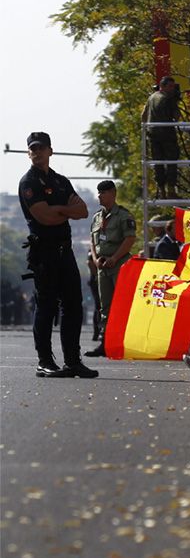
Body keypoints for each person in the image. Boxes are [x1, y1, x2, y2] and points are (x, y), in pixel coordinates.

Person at [18, 132, 98, 378]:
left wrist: (59, 209)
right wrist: (66, 209)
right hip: (44, 252)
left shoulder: (61, 181)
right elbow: (45, 216)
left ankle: (72, 360)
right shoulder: (29, 182)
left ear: (50, 151)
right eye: (33, 149)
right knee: (46, 306)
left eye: (41, 148)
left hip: (65, 250)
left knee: (73, 306)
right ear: (29, 152)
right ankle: (45, 361)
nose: (37, 152)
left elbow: (83, 210)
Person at [85, 180, 137, 357]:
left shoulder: (124, 215)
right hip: (102, 266)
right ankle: (105, 342)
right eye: (99, 192)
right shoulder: (97, 217)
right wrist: (95, 259)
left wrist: (114, 258)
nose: (100, 195)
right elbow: (93, 242)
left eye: (104, 192)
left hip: (119, 264)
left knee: (122, 304)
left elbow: (130, 239)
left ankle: (125, 342)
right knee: (105, 306)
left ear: (113, 194)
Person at [142, 75, 180, 199]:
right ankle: (171, 191)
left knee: (158, 163)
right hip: (167, 135)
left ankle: (161, 190)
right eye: (170, 86)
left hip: (153, 135)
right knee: (171, 162)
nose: (172, 89)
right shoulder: (168, 99)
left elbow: (143, 115)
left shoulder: (151, 97)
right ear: (162, 86)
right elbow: (177, 116)